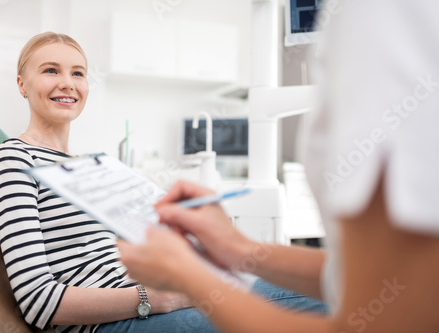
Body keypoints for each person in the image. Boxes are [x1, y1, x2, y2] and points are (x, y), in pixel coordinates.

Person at [117, 1, 439, 332]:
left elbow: (388, 320)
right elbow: (382, 279)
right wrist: (239, 249)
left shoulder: (382, 15)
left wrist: (189, 276)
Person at [0, 32, 325, 333]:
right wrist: (154, 298)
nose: (68, 82)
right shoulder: (14, 159)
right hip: (117, 320)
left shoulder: (89, 168)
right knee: (327, 302)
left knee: (319, 295)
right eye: (50, 70)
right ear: (22, 84)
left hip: (160, 293)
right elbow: (39, 302)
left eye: (78, 73)